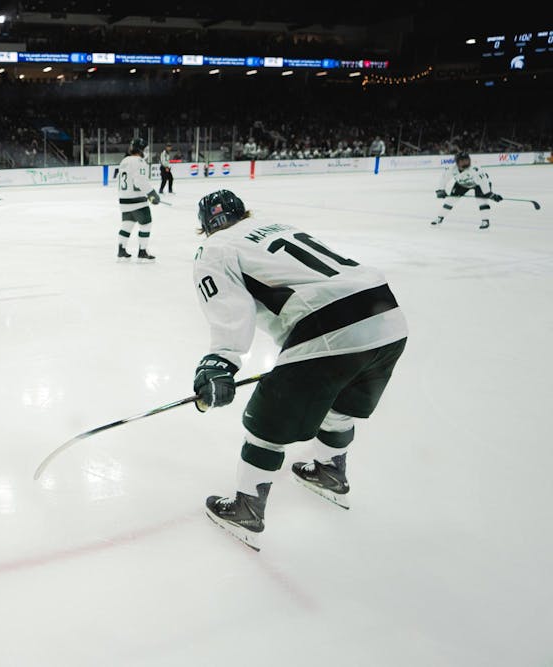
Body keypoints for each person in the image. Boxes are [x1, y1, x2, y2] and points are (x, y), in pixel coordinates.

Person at [192, 189, 408, 551]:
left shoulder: (215, 248)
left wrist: (221, 361)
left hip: (332, 322)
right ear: (244, 213)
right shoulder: (276, 227)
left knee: (268, 418)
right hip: (386, 313)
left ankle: (247, 507)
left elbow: (229, 306)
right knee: (340, 403)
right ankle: (329, 471)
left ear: (205, 227)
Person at [432, 151, 502, 230]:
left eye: (467, 160)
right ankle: (439, 218)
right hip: (462, 184)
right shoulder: (452, 168)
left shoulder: (475, 169)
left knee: (481, 200)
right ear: (457, 162)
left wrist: (489, 194)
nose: (465, 162)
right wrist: (441, 189)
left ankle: (485, 221)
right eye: (462, 161)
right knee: (451, 200)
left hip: (478, 184)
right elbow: (444, 178)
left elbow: (483, 181)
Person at [116, 137, 160, 261]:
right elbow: (140, 181)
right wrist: (152, 194)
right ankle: (142, 251)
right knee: (146, 224)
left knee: (127, 225)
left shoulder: (124, 161)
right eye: (145, 149)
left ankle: (121, 249)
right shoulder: (139, 162)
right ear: (140, 149)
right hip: (137, 201)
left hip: (124, 200)